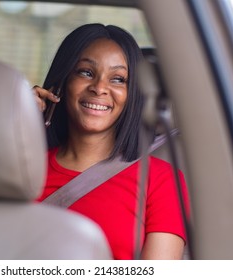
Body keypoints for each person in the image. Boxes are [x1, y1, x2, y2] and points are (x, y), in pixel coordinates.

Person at [33, 23, 189, 260]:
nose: (99, 88)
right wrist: (19, 118)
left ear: (132, 94)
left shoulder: (160, 180)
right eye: (85, 72)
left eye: (118, 79)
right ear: (61, 84)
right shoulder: (19, 171)